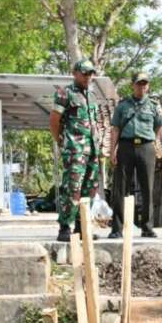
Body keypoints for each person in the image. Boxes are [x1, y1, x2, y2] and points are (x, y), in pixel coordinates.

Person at [50, 59, 101, 242]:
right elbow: (54, 121)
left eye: (91, 73)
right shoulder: (65, 93)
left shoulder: (93, 95)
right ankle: (65, 227)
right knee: (72, 189)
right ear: (75, 73)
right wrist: (61, 142)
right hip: (75, 150)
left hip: (92, 151)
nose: (89, 77)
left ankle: (82, 228)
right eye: (85, 73)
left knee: (90, 190)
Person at [108, 72, 162, 238]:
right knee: (120, 188)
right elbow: (116, 129)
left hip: (146, 147)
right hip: (125, 146)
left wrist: (155, 143)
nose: (142, 87)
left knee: (147, 188)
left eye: (145, 84)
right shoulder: (123, 105)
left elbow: (159, 125)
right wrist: (113, 151)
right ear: (133, 85)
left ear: (148, 86)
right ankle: (117, 229)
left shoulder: (154, 105)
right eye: (139, 83)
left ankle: (147, 227)